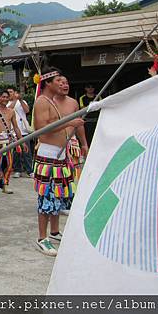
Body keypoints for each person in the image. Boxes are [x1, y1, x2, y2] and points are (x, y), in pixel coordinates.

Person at [33, 68, 82, 256]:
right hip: (48, 155)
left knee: (58, 195)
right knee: (46, 197)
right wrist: (70, 123)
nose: (61, 83)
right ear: (47, 83)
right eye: (57, 80)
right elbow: (41, 129)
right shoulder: (41, 102)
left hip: (59, 155)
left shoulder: (50, 101)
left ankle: (54, 232)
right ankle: (41, 237)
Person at [55, 76, 89, 213]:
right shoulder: (49, 102)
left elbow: (79, 124)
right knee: (59, 174)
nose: (65, 85)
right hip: (56, 143)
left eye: (66, 83)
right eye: (61, 83)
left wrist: (84, 143)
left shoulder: (74, 103)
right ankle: (60, 201)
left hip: (72, 142)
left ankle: (72, 200)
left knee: (74, 173)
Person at [0, 88, 26, 197]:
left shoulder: (11, 111)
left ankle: (5, 184)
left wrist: (22, 141)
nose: (5, 99)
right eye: (3, 97)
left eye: (7, 97)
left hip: (8, 142)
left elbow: (16, 128)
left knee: (9, 164)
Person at [6, 86, 33, 177]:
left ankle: (30, 170)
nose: (10, 94)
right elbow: (9, 109)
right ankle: (17, 170)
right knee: (16, 152)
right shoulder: (7, 103)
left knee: (26, 151)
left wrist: (20, 100)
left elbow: (27, 110)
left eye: (11, 92)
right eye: (8, 92)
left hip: (23, 131)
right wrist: (15, 100)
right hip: (13, 132)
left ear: (15, 92)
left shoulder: (22, 101)